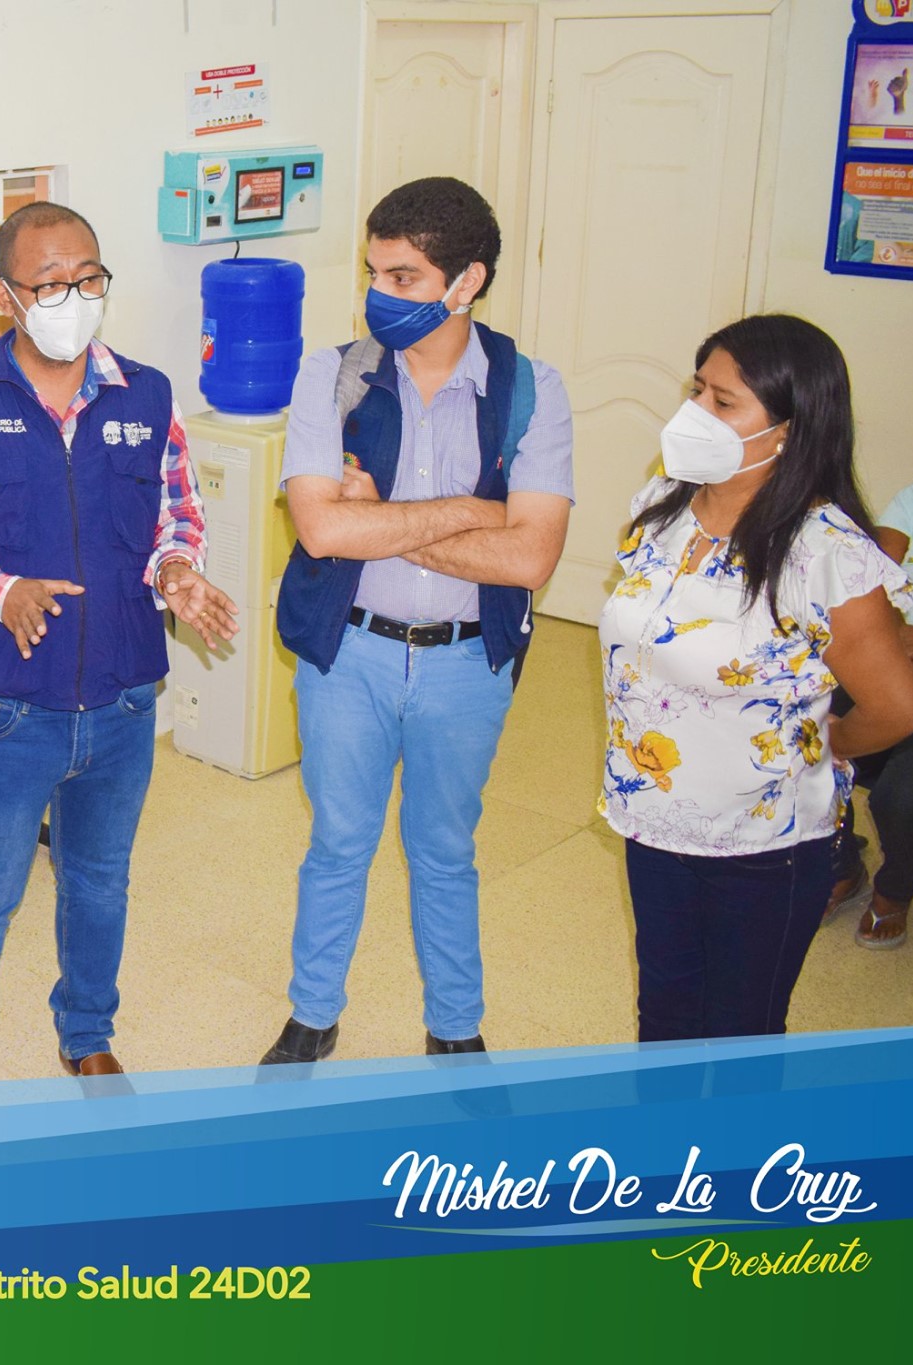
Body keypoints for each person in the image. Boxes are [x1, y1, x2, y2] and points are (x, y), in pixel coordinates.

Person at [0, 201, 238, 1085]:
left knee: (99, 882)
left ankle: (87, 1032)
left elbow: (177, 512)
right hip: (7, 710)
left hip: (123, 699)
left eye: (87, 278)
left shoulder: (147, 394)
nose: (72, 297)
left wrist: (177, 570)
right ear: (5, 295)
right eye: (48, 283)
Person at [265, 177, 574, 1065]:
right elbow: (323, 532)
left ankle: (455, 1024)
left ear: (467, 280)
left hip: (466, 663)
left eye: (403, 278)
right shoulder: (332, 374)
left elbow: (531, 559)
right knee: (338, 842)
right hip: (348, 653)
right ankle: (312, 1012)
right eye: (373, 273)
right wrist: (476, 512)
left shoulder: (531, 389)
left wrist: (385, 516)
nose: (379, 295)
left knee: (444, 849)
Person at [600, 315, 913, 1041]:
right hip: (654, 818)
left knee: (740, 1030)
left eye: (724, 402)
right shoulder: (666, 503)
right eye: (697, 390)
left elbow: (900, 706)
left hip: (763, 843)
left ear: (790, 428)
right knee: (665, 1013)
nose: (696, 413)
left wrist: (829, 744)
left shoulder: (825, 551)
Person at [822, 456, 913, 949]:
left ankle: (895, 891)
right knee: (805, 740)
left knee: (905, 794)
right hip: (894, 657)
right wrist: (901, 655)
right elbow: (874, 582)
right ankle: (843, 865)